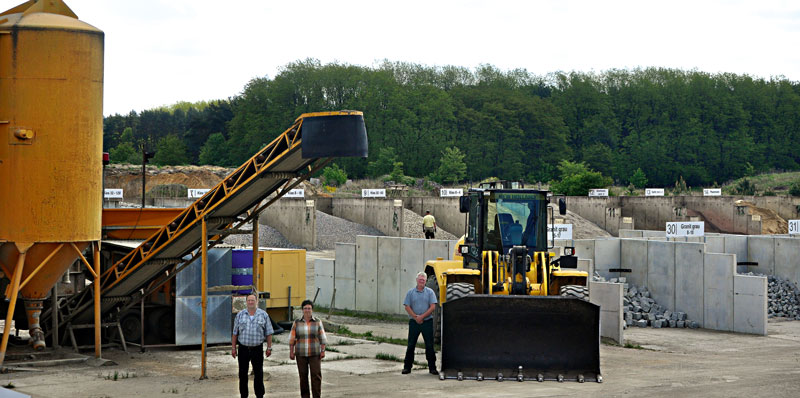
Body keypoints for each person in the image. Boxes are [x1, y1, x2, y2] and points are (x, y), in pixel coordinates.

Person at [232, 293, 274, 398]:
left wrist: (269, 347)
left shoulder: (264, 315)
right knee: (242, 373)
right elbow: (235, 333)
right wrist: (233, 348)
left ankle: (259, 395)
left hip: (257, 349)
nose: (251, 302)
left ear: (257, 301)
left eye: (252, 300)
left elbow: (268, 333)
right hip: (243, 349)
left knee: (258, 373)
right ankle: (243, 395)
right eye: (249, 300)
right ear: (246, 302)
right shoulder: (240, 315)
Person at [289, 299, 327, 398]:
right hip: (301, 354)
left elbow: (322, 338)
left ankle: (316, 396)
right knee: (303, 377)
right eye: (305, 308)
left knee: (316, 376)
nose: (307, 310)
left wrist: (323, 350)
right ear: (302, 310)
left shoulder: (317, 322)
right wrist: (291, 352)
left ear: (312, 310)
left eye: (309, 308)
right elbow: (292, 339)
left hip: (314, 353)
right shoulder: (297, 322)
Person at [402, 272, 438, 375]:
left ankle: (432, 368)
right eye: (420, 279)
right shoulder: (410, 292)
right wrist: (415, 317)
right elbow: (407, 306)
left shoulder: (430, 292)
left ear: (425, 281)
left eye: (423, 280)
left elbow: (433, 307)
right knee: (411, 345)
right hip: (414, 322)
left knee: (430, 346)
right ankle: (407, 367)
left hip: (427, 322)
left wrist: (422, 317)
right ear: (417, 280)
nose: (421, 281)